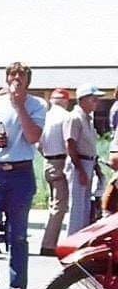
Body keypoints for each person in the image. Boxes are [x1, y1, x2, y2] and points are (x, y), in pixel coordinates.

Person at [0, 62, 46, 289]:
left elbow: (33, 136)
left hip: (21, 174)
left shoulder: (37, 105)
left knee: (18, 235)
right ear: (6, 78)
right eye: (12, 74)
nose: (16, 78)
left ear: (28, 80)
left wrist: (18, 106)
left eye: (21, 75)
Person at [65, 84, 104, 235]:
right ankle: (71, 242)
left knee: (85, 205)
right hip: (78, 163)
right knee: (77, 206)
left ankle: (80, 240)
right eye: (94, 99)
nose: (97, 102)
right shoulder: (75, 117)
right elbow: (70, 144)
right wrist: (80, 170)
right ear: (83, 99)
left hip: (88, 163)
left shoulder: (88, 118)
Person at [39, 88, 72, 255]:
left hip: (47, 161)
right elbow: (69, 142)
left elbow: (38, 144)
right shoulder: (66, 117)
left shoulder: (44, 118)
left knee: (53, 204)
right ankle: (49, 244)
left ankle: (48, 241)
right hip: (61, 161)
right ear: (66, 101)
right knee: (60, 206)